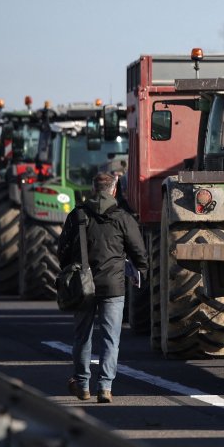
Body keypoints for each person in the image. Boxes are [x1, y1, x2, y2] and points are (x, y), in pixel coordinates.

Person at [58, 172, 147, 404]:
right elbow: (139, 253)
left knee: (82, 336)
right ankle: (105, 387)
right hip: (113, 286)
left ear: (92, 189)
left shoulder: (77, 216)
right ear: (114, 190)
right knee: (110, 338)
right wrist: (139, 270)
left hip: (83, 286)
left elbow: (62, 252)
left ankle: (83, 384)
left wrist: (72, 271)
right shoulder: (123, 218)